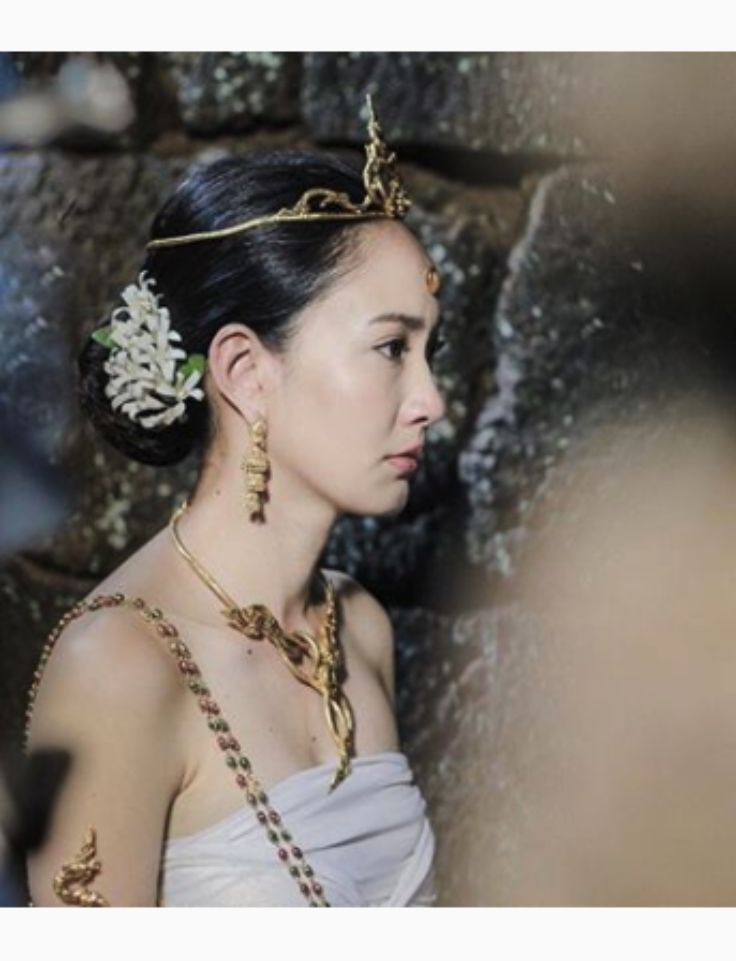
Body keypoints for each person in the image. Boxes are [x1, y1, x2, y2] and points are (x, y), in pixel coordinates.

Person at [22, 93, 445, 907]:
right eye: (393, 347)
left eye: (432, 350)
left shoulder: (359, 627)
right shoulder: (119, 664)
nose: (431, 400)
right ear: (245, 371)